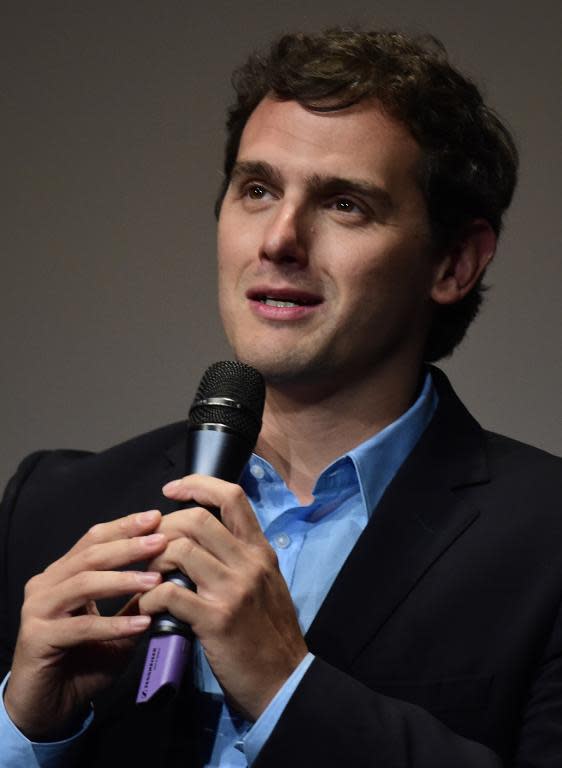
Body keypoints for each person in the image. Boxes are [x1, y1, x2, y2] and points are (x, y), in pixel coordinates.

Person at [1, 26, 561, 768]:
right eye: (257, 190)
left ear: (455, 262)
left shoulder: (547, 539)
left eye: (345, 204)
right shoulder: (52, 504)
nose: (279, 240)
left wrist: (286, 689)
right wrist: (21, 734)